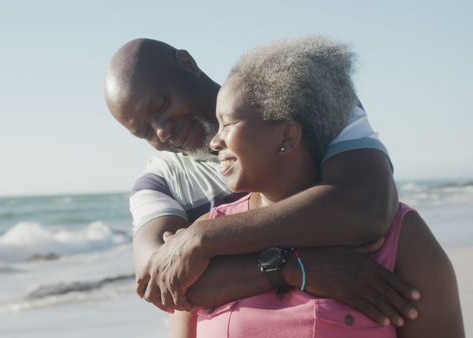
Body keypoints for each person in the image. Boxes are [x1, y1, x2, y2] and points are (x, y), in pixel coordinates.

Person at [104, 38, 419, 327]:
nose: (161, 131)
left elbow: (367, 205)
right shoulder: (160, 183)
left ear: (188, 64)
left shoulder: (305, 93)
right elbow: (159, 283)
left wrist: (204, 237)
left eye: (161, 106)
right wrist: (294, 267)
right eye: (144, 131)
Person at [171, 36, 463, 337]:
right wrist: (290, 268)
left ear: (287, 135)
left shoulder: (400, 239)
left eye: (228, 124)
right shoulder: (204, 236)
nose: (214, 141)